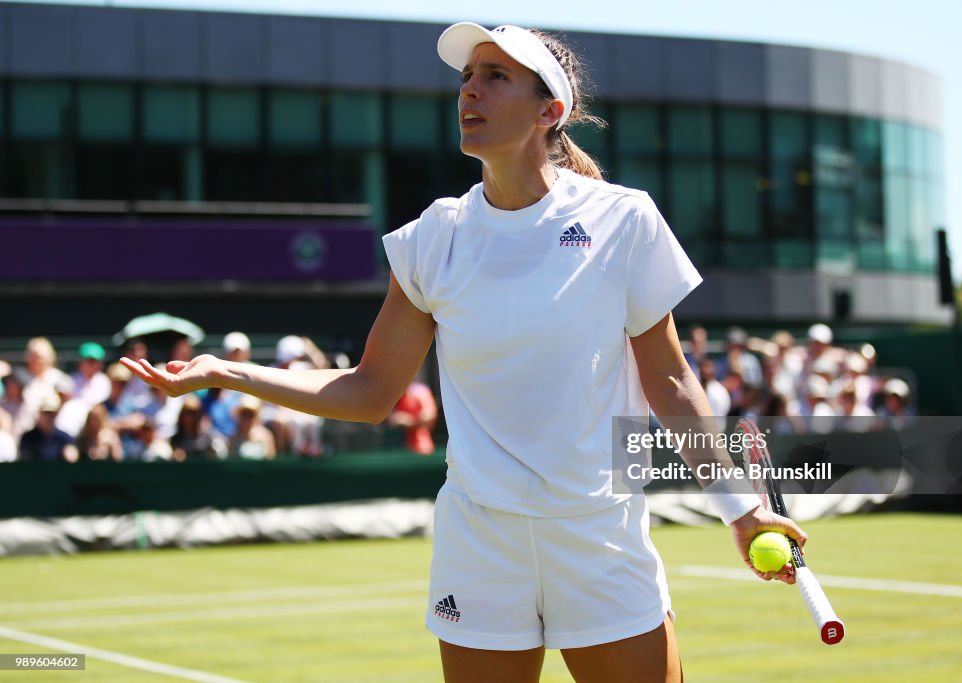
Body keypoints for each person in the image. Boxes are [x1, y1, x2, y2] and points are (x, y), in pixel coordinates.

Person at [121, 22, 806, 682]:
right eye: (467, 77)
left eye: (496, 76)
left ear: (550, 111)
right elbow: (368, 391)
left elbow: (672, 382)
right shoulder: (429, 240)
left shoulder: (623, 219)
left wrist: (742, 510)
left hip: (600, 536)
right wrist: (227, 373)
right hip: (480, 543)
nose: (469, 91)